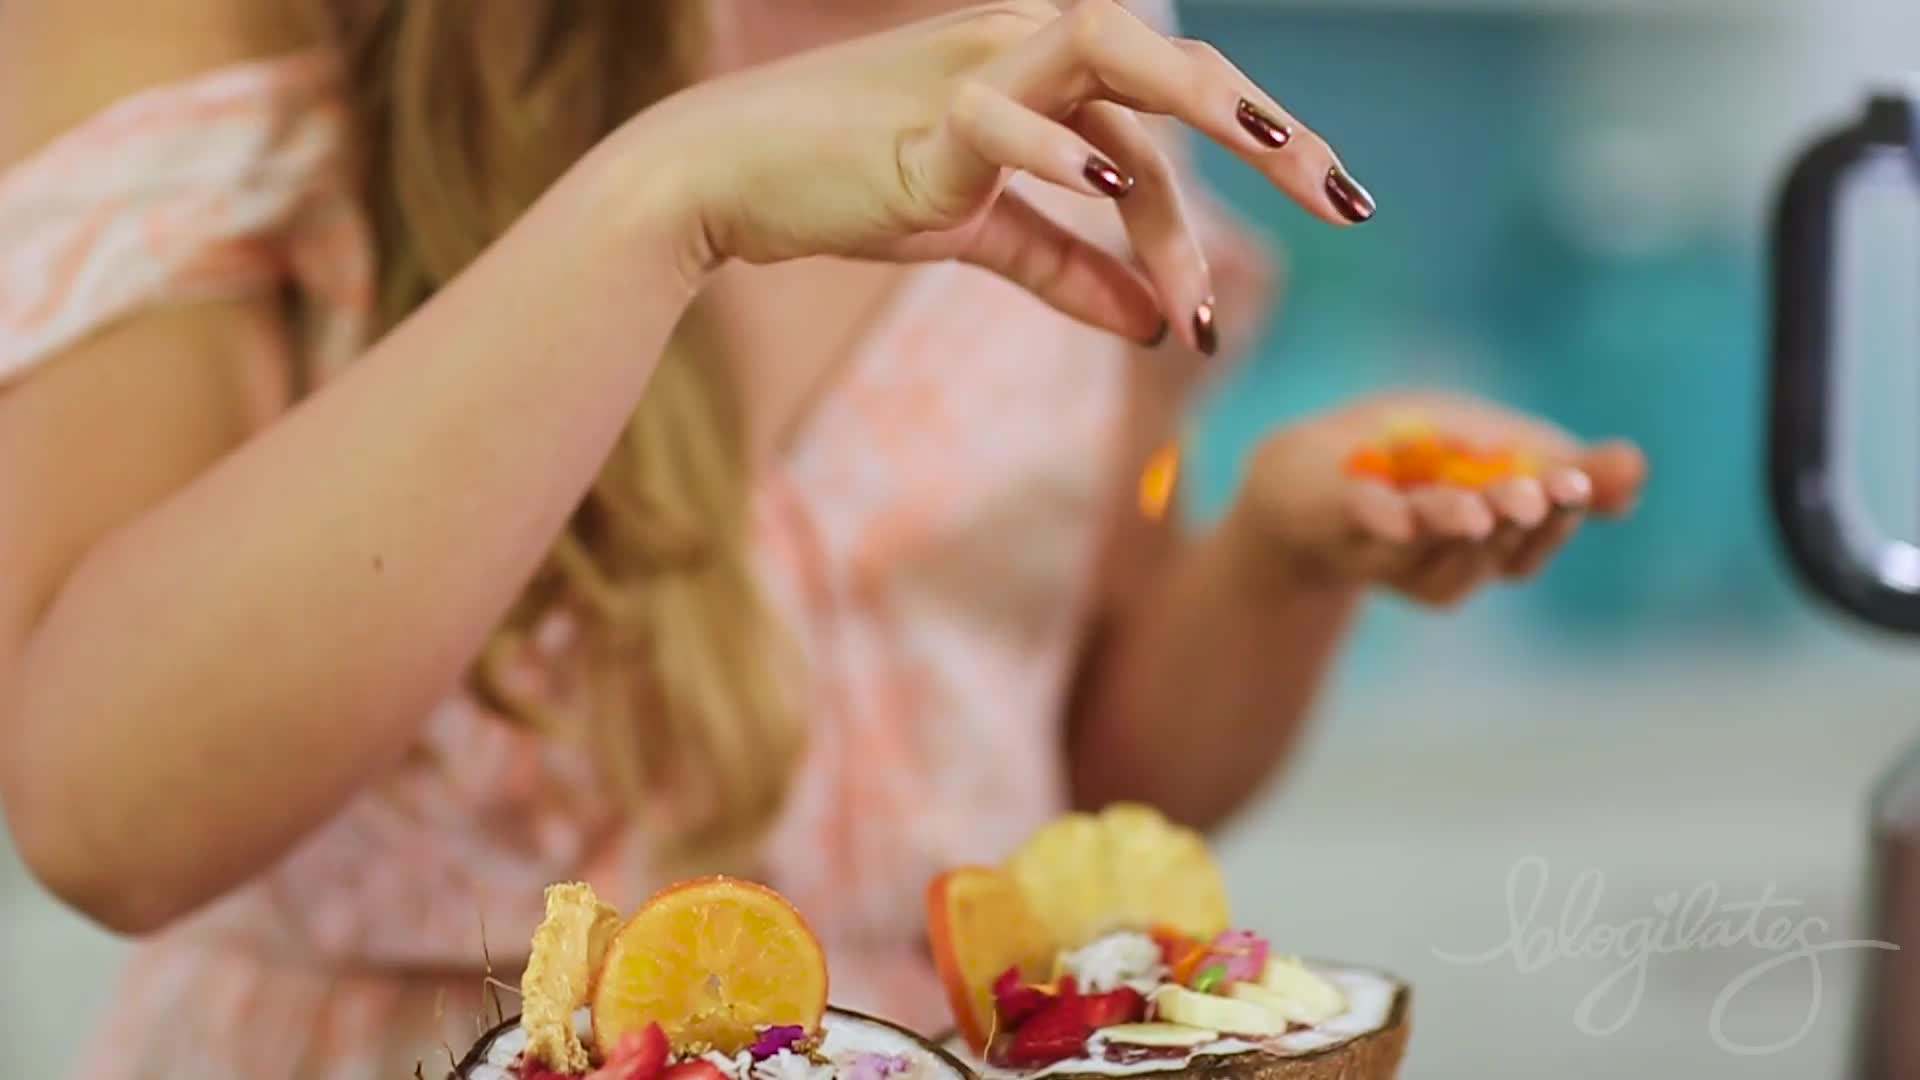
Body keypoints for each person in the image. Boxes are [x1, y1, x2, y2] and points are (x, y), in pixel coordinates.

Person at [0, 1, 1646, 1076]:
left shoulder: (1080, 40)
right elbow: (106, 816)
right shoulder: (218, 32)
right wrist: (666, 196)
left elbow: (1075, 757)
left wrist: (1280, 559)